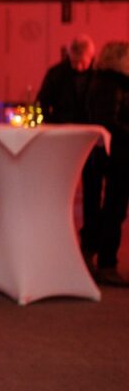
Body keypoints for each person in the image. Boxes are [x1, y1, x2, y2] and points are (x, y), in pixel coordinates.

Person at [37, 35, 103, 260]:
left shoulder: (98, 75)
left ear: (91, 57)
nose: (78, 67)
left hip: (89, 139)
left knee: (93, 191)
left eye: (82, 62)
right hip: (63, 138)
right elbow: (42, 102)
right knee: (59, 189)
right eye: (74, 62)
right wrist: (52, 125)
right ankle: (56, 238)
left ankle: (89, 243)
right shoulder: (56, 74)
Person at [84, 41, 129, 287]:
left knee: (112, 209)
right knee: (114, 209)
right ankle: (106, 264)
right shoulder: (110, 84)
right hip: (117, 156)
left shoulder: (110, 82)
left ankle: (98, 256)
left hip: (117, 154)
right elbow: (108, 122)